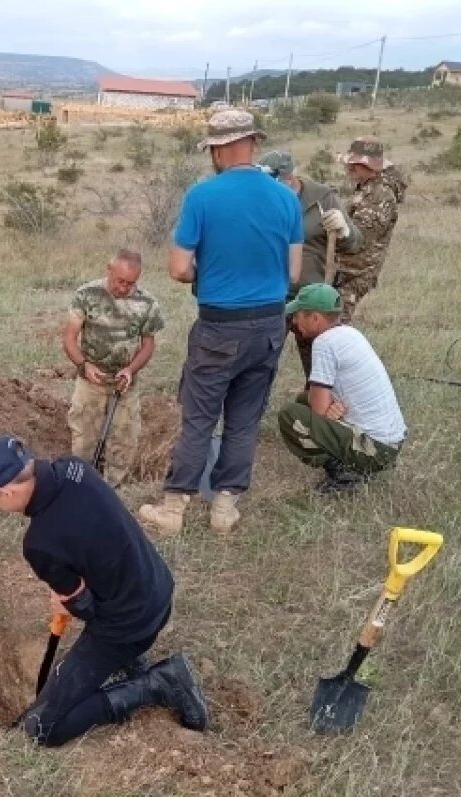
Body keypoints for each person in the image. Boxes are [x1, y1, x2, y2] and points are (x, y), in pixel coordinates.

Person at [0, 435, 209, 747]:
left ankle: (158, 684)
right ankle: (132, 663)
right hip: (157, 589)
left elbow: (85, 607)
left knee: (41, 729)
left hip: (129, 626)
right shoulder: (74, 467)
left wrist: (65, 602)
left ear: (6, 490)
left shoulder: (40, 543)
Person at [139, 110, 303, 536]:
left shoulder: (203, 196)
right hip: (269, 325)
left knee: (199, 416)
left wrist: (206, 273)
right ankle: (225, 508)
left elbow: (178, 269)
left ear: (220, 148)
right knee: (245, 417)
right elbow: (295, 274)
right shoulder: (287, 197)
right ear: (252, 143)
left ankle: (174, 508)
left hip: (218, 326)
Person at [278, 284, 407, 494]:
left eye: (298, 315)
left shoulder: (324, 343)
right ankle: (359, 465)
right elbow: (317, 401)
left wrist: (329, 412)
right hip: (391, 444)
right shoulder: (350, 334)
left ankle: (347, 475)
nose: (294, 322)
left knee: (290, 416)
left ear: (315, 318)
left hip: (375, 449)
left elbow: (319, 411)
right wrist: (330, 410)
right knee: (304, 401)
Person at [257, 150, 363, 380]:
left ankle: (318, 410)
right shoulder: (261, 200)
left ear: (289, 178)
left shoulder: (322, 198)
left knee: (321, 365)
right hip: (274, 296)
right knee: (260, 363)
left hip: (313, 298)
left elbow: (354, 244)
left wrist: (343, 230)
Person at [62, 249, 164, 487]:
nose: (124, 288)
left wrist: (130, 370)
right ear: (109, 270)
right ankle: (80, 483)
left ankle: (113, 486)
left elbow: (148, 345)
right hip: (90, 380)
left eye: (131, 283)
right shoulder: (86, 295)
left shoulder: (147, 303)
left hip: (125, 383)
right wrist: (83, 365)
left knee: (124, 437)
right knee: (83, 436)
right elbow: (69, 339)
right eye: (120, 281)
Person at [334, 136, 408, 323]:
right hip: (345, 269)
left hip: (354, 273)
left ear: (371, 167)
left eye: (356, 165)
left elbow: (359, 240)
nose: (349, 168)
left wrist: (338, 228)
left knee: (332, 326)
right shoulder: (367, 186)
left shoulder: (380, 195)